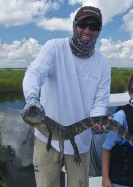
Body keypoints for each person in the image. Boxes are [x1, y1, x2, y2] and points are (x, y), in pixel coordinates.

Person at [22, 6, 111, 187]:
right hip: (46, 137)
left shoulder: (102, 64)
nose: (87, 30)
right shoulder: (54, 47)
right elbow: (34, 72)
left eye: (93, 26)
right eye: (83, 24)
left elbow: (100, 101)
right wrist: (32, 99)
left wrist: (98, 120)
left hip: (81, 142)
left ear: (99, 31)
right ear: (74, 25)